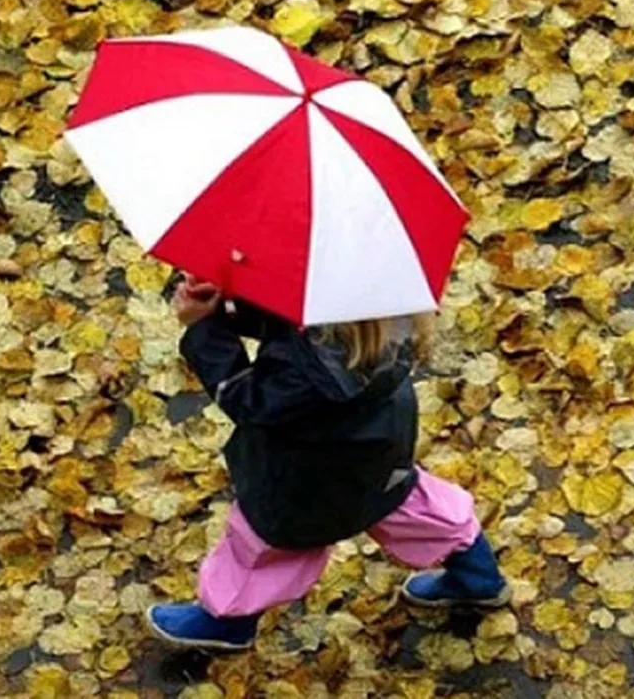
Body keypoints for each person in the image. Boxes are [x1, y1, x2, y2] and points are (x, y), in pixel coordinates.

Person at [146, 275, 510, 651]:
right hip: (378, 452)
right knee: (410, 506)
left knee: (262, 546)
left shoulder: (307, 371)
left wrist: (205, 330)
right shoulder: (386, 318)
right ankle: (477, 577)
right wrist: (228, 309)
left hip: (308, 480)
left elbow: (247, 400)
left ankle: (227, 623)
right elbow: (288, 324)